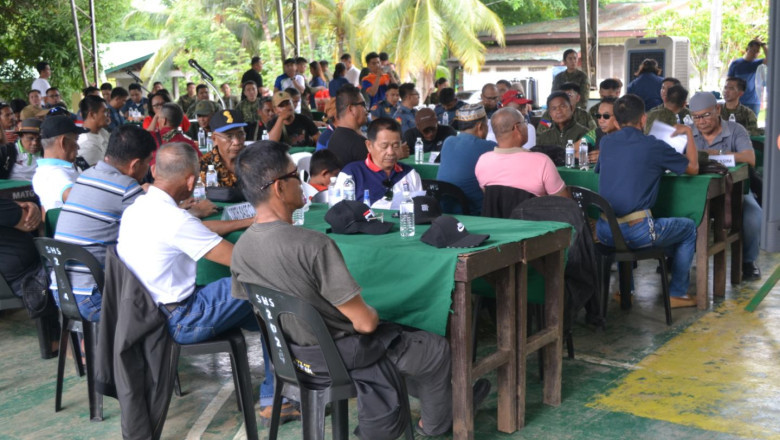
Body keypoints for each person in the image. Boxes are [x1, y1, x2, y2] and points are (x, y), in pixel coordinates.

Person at [231, 140, 487, 437]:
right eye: (294, 176)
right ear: (278, 187)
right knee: (436, 349)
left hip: (292, 359)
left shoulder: (242, 248)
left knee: (404, 346)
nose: (302, 184)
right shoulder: (313, 244)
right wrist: (374, 311)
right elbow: (365, 324)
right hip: (339, 357)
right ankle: (436, 424)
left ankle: (441, 403)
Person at [116, 141, 294, 425]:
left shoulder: (137, 208)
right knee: (266, 289)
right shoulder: (175, 220)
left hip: (145, 314)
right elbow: (241, 261)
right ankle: (278, 399)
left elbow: (195, 229)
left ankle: (279, 390)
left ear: (154, 171)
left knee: (257, 306)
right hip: (181, 319)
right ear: (191, 181)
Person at [595, 93, 699, 308]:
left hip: (605, 231)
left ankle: (627, 290)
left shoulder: (606, 142)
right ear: (643, 118)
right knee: (688, 229)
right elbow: (693, 168)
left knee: (624, 225)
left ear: (615, 119)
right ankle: (677, 293)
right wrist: (688, 133)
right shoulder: (652, 145)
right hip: (637, 232)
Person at [52, 125, 155, 321]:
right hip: (94, 296)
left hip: (62, 292)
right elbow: (161, 225)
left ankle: (90, 348)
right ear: (135, 165)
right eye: (148, 163)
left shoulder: (86, 176)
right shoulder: (126, 187)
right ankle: (122, 351)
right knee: (159, 309)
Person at [688, 91, 762, 281]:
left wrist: (715, 154)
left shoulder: (736, 129)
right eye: (696, 117)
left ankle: (748, 261)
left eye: (706, 115)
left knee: (753, 216)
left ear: (718, 109)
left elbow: (749, 158)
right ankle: (674, 259)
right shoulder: (688, 132)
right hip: (697, 194)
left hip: (734, 192)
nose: (701, 121)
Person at [476, 107, 570, 198]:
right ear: (517, 128)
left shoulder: (482, 161)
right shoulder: (541, 162)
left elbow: (492, 199)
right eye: (524, 122)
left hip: (495, 214)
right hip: (534, 213)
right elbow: (565, 202)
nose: (526, 125)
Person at [337, 118, 423, 209]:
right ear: (369, 146)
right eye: (384, 146)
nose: (390, 152)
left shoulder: (410, 174)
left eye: (396, 146)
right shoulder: (351, 175)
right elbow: (340, 212)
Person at [436, 104, 496, 215]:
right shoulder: (489, 147)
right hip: (474, 211)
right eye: (487, 125)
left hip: (445, 210)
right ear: (480, 127)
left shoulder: (448, 141)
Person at [32, 116, 87, 210]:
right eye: (76, 139)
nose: (78, 146)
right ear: (63, 142)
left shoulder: (44, 171)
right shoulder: (55, 174)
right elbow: (81, 200)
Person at [0, 198, 42, 298]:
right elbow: (29, 223)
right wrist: (32, 206)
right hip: (24, 280)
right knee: (75, 273)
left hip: (11, 280)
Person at [199, 109, 248, 187]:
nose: (237, 142)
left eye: (240, 135)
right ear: (214, 139)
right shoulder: (204, 165)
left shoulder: (254, 159)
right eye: (229, 136)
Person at [326, 85, 369, 166]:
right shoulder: (358, 144)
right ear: (351, 109)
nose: (366, 110)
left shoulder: (333, 138)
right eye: (363, 105)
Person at [727, 39, 768, 116]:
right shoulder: (736, 64)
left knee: (752, 127)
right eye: (753, 50)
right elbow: (729, 82)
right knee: (737, 126)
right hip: (738, 101)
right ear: (747, 49)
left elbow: (771, 58)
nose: (755, 53)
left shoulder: (758, 63)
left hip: (754, 102)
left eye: (757, 51)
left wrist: (763, 44)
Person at [77, 95, 111, 166]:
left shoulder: (102, 132)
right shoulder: (86, 144)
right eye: (105, 112)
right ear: (92, 114)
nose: (108, 115)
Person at [583, 97, 619, 163]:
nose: (601, 120)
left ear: (618, 116)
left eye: (606, 116)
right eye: (598, 116)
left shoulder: (629, 136)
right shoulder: (596, 133)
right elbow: (574, 150)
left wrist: (606, 156)